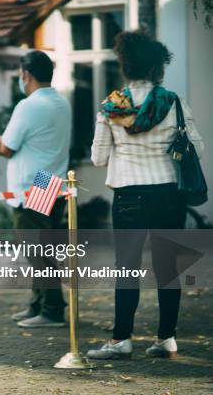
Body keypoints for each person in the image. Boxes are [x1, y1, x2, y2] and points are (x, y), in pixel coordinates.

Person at [87, 31, 204, 360]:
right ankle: (166, 338)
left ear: (126, 65)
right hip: (170, 194)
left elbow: (97, 158)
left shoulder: (112, 106)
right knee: (168, 267)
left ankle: (121, 339)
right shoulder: (174, 101)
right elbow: (197, 148)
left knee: (126, 268)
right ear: (157, 67)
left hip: (129, 196)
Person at [0, 50, 71, 328]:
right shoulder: (62, 103)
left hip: (30, 185)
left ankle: (51, 310)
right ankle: (40, 303)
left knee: (37, 250)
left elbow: (7, 147)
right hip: (52, 181)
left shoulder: (28, 105)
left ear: (26, 75)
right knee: (42, 247)